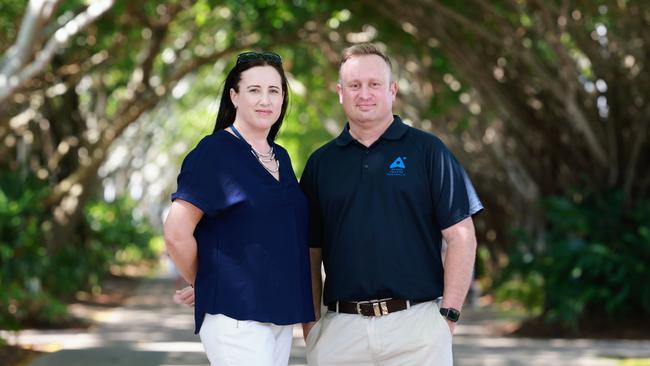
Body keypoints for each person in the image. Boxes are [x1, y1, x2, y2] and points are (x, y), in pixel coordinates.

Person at [299, 43, 483, 365]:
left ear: (392, 90)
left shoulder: (428, 152)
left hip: (416, 328)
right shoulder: (320, 164)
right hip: (341, 332)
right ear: (340, 92)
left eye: (374, 84)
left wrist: (448, 316)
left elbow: (461, 235)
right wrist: (312, 326)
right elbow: (309, 253)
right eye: (354, 85)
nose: (364, 93)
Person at [164, 51, 315, 366]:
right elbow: (176, 234)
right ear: (234, 96)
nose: (265, 100)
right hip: (235, 317)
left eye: (274, 91)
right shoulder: (213, 153)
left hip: (278, 316)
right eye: (254, 90)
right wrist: (205, 282)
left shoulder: (281, 158)